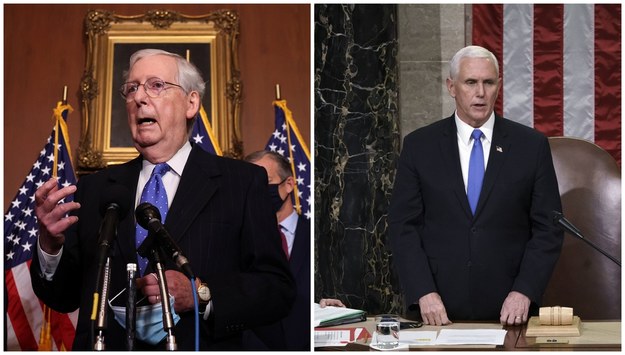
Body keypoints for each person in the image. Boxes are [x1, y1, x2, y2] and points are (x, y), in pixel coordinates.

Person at [31, 49, 295, 350]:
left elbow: (277, 290)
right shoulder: (96, 188)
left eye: (156, 85)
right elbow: (62, 297)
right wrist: (50, 247)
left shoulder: (242, 182)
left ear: (191, 103)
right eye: (132, 88)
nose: (139, 98)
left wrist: (202, 293)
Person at [388, 45, 563, 327]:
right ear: (452, 87)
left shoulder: (531, 146)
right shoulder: (420, 146)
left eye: (488, 82)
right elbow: (403, 226)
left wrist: (524, 290)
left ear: (498, 86)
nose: (480, 92)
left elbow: (548, 228)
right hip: (437, 311)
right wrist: (423, 291)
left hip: (510, 312)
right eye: (471, 82)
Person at [243, 150, 310, 350]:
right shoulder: (241, 240)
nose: (257, 191)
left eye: (265, 181)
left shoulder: (318, 235)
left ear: (289, 184)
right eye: (250, 185)